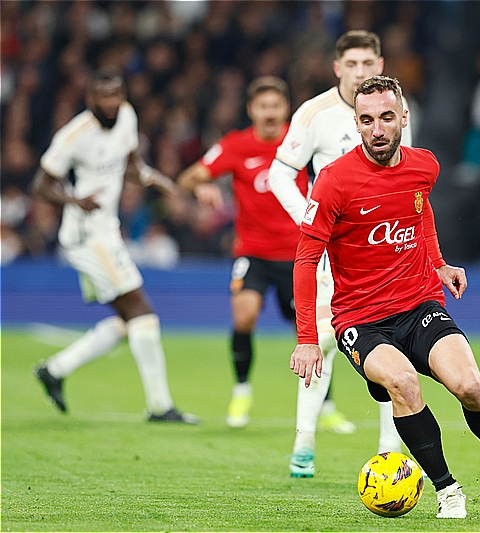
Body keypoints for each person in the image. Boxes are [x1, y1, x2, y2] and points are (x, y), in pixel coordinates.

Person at [290, 76, 480, 519]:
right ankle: (447, 489)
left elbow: (420, 209)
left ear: (403, 119)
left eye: (386, 118)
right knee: (404, 384)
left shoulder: (424, 165)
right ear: (356, 123)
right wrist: (306, 338)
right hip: (361, 320)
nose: (377, 129)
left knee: (471, 386)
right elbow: (304, 260)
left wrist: (439, 262)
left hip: (420, 304)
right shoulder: (334, 181)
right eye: (367, 119)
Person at [268, 30, 411, 477]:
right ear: (337, 68)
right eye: (351, 64)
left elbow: (406, 181)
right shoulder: (315, 113)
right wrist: (314, 227)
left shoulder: (397, 111)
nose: (360, 72)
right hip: (336, 257)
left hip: (388, 255)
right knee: (321, 344)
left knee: (393, 347)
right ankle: (304, 445)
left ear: (380, 63)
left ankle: (391, 450)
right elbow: (279, 174)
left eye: (368, 64)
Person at [32, 69, 198, 424]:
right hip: (87, 235)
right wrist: (75, 200)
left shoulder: (126, 116)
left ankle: (55, 370)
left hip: (106, 229)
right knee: (141, 311)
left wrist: (155, 179)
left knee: (129, 322)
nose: (110, 103)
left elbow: (131, 162)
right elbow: (41, 185)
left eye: (116, 95)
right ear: (90, 98)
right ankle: (160, 407)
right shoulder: (73, 136)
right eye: (103, 96)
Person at [176, 77, 308, 428]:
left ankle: (323, 407)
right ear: (251, 110)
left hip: (299, 253)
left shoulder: (301, 142)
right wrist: (203, 187)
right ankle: (241, 392)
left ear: (286, 108)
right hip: (252, 252)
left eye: (275, 106)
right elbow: (188, 177)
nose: (269, 113)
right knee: (244, 316)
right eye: (262, 106)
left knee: (310, 332)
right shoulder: (236, 145)